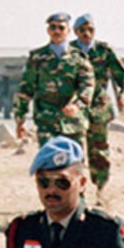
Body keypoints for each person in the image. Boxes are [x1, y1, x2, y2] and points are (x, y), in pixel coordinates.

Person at [11, 12, 94, 147]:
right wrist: (20, 121)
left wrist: (77, 105)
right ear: (48, 30)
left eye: (61, 28)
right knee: (49, 163)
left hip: (73, 122)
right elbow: (26, 90)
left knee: (75, 164)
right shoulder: (37, 57)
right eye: (53, 27)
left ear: (68, 31)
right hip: (46, 122)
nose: (57, 31)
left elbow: (87, 86)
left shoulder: (79, 58)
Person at [71, 14, 124, 194]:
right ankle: (77, 192)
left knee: (99, 151)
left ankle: (100, 190)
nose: (86, 34)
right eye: (82, 30)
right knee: (75, 151)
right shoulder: (69, 51)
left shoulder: (104, 51)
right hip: (76, 108)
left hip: (98, 107)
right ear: (76, 32)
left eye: (90, 30)